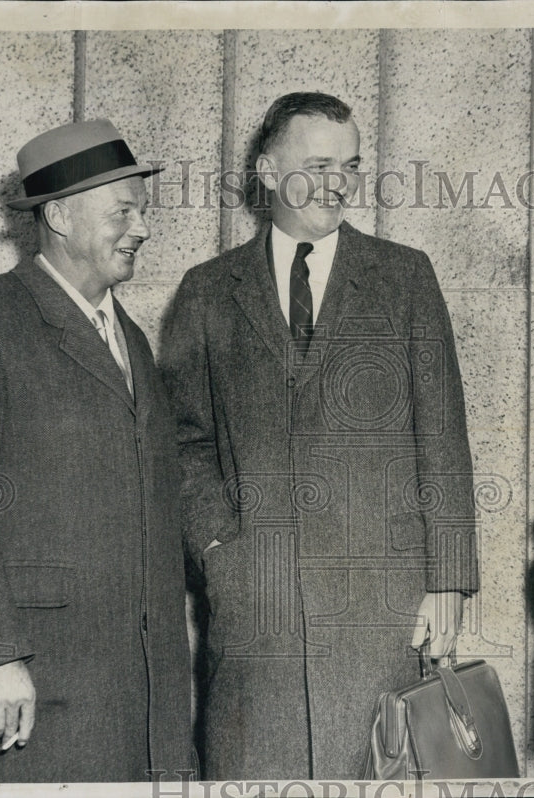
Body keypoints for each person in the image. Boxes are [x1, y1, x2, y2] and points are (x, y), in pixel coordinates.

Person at [160, 91, 478, 779]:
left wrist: (448, 581)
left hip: (383, 612)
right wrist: (219, 546)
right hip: (257, 615)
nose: (339, 183)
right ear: (268, 172)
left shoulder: (404, 277)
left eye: (352, 165)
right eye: (319, 164)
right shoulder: (206, 292)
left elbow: (443, 432)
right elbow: (183, 441)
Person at [0, 119, 196, 782]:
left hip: (137, 702)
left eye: (142, 211)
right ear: (58, 214)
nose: (142, 228)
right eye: (124, 212)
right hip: (33, 691)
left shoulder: (133, 341)